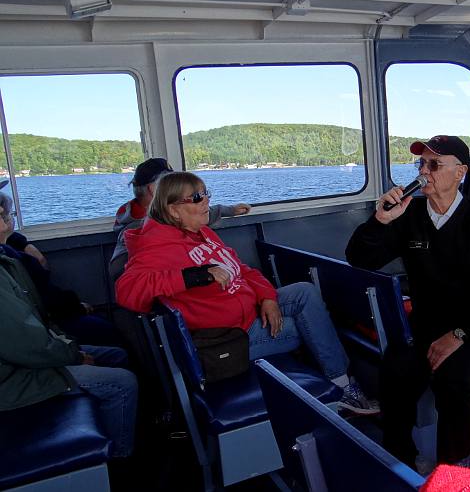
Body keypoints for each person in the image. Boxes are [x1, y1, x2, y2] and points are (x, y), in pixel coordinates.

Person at [115, 171, 377, 414]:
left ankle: (338, 382)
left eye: (207, 193)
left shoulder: (202, 233)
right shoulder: (156, 246)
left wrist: (267, 298)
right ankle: (341, 389)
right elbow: (127, 291)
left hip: (249, 311)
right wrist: (194, 276)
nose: (206, 201)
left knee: (304, 292)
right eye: (196, 197)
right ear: (173, 210)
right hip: (231, 338)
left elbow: (243, 270)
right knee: (313, 327)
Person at [346, 135, 470, 468]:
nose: (424, 171)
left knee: (452, 382)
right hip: (428, 326)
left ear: (460, 172)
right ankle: (400, 461)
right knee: (395, 370)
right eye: (421, 163)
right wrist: (381, 221)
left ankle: (458, 474)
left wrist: (458, 335)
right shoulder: (410, 216)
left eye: (434, 164)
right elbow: (359, 258)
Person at [0, 242, 138, 459]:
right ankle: (117, 458)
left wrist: (69, 346)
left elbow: (39, 317)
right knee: (123, 383)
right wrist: (75, 356)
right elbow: (26, 344)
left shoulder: (6, 259)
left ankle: (110, 429)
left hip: (27, 360)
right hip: (15, 379)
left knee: (116, 355)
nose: (7, 215)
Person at [0, 193, 125, 347]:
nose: (10, 221)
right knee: (111, 340)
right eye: (9, 215)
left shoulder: (11, 249)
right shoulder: (16, 260)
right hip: (47, 324)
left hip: (45, 320)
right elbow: (45, 300)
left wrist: (21, 242)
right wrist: (76, 307)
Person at [109, 158, 252, 281]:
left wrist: (230, 210)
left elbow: (194, 214)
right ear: (155, 189)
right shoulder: (137, 230)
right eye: (169, 181)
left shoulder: (168, 214)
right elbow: (120, 272)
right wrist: (188, 277)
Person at [0, 179, 48, 268]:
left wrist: (22, 242)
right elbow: (41, 263)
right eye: (11, 214)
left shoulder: (14, 240)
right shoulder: (13, 258)